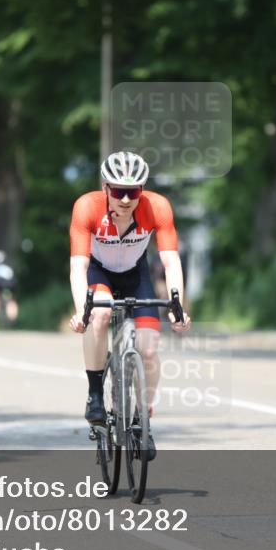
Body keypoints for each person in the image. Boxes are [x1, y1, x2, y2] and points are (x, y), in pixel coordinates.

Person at [68, 151, 192, 460]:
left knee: (149, 349)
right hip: (100, 272)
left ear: (143, 189)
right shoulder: (87, 207)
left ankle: (143, 418)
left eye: (133, 191)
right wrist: (81, 311)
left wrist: (178, 306)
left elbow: (170, 260)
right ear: (105, 187)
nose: (126, 199)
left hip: (137, 275)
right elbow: (78, 266)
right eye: (119, 191)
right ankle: (95, 393)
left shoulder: (157, 207)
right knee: (99, 314)